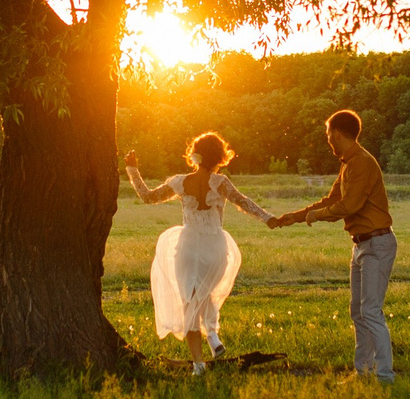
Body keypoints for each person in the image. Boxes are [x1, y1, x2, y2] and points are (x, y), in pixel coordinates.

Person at [124, 132, 268, 373]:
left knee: (190, 301)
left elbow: (147, 197)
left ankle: (199, 364)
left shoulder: (180, 182)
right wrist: (269, 218)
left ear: (196, 156)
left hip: (188, 248)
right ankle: (212, 334)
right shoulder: (221, 183)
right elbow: (244, 203)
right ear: (220, 157)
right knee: (206, 293)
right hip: (215, 247)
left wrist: (132, 170)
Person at [267, 109, 394, 379]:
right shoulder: (348, 163)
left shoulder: (362, 163)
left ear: (336, 134)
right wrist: (297, 217)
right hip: (360, 244)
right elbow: (330, 200)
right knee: (358, 312)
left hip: (376, 243)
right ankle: (363, 373)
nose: (327, 142)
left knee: (370, 311)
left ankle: (385, 377)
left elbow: (349, 205)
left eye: (327, 136)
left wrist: (316, 216)